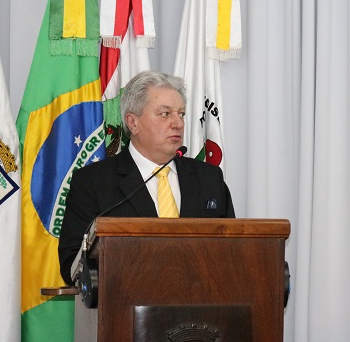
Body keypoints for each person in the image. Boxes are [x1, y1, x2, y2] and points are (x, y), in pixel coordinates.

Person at [58, 70, 235, 285]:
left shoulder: (209, 178)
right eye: (165, 114)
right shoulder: (93, 182)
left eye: (181, 114)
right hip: (125, 302)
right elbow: (71, 265)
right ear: (133, 123)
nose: (178, 123)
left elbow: (232, 251)